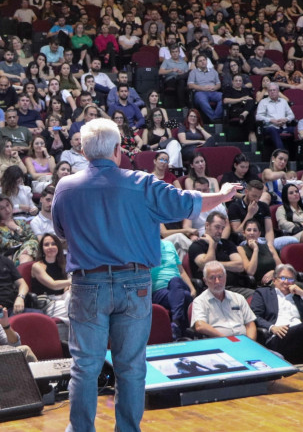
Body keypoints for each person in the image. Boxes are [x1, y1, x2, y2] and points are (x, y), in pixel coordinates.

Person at [52, 118, 238, 432]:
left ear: (83, 151)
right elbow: (186, 205)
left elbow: (60, 231)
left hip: (87, 284)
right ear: (117, 150)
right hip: (135, 284)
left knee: (84, 367)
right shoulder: (142, 183)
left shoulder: (65, 186)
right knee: (131, 368)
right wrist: (222, 194)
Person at [189, 211, 253, 297]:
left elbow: (240, 266)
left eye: (222, 228)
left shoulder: (227, 244)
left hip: (235, 287)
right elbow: (207, 265)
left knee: (264, 295)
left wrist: (217, 264)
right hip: (214, 290)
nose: (220, 231)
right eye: (217, 227)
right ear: (207, 225)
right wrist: (211, 244)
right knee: (256, 296)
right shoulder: (197, 246)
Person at [191, 261, 258, 339]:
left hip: (243, 343)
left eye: (220, 276)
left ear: (225, 277)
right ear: (205, 281)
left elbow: (250, 324)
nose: (217, 281)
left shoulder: (238, 298)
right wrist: (227, 339)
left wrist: (250, 344)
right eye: (212, 278)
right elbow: (200, 325)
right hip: (219, 344)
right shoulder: (200, 301)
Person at [151, 238, 196, 340]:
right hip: (158, 290)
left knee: (175, 281)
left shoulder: (169, 245)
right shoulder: (143, 248)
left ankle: (175, 323)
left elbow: (181, 271)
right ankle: (182, 330)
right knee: (185, 295)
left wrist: (193, 289)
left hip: (177, 285)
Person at [0, 194, 39, 264]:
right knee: (30, 247)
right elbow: (0, 241)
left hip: (23, 252)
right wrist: (22, 244)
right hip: (4, 256)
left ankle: (20, 270)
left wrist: (17, 228)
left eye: (8, 205)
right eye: (2, 208)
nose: (7, 210)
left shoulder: (21, 222)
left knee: (33, 243)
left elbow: (33, 237)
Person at [237, 218, 282, 286]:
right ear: (244, 233)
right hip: (260, 285)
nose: (252, 233)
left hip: (276, 278)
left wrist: (273, 272)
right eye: (249, 230)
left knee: (298, 285)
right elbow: (250, 272)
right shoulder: (241, 249)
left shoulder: (269, 247)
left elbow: (281, 267)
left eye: (255, 230)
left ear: (259, 233)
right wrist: (255, 249)